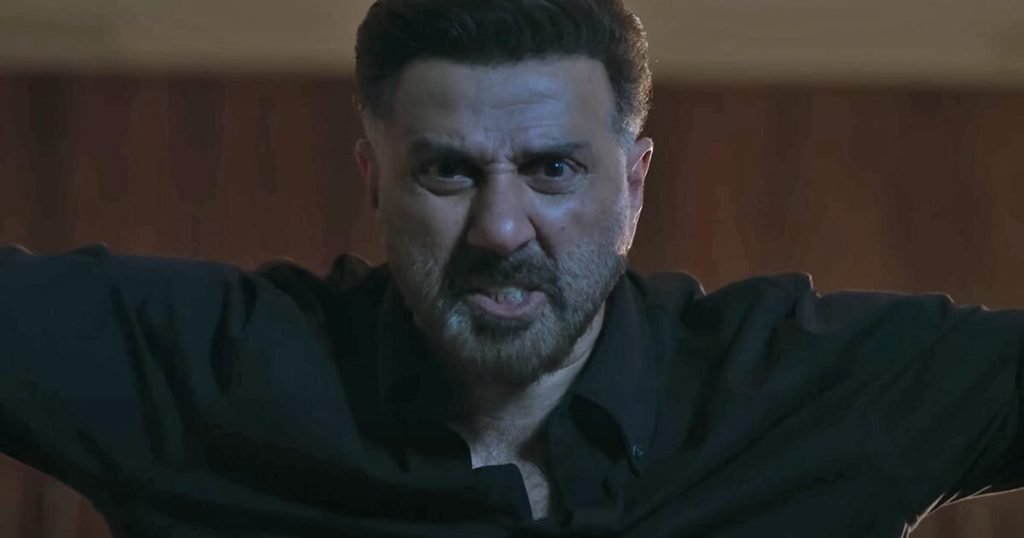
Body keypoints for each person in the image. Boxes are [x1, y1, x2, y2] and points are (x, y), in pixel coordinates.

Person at [1, 1, 1022, 537]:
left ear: (633, 184)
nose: (498, 229)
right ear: (374, 180)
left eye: (551, 170)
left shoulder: (815, 390)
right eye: (447, 171)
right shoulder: (206, 375)